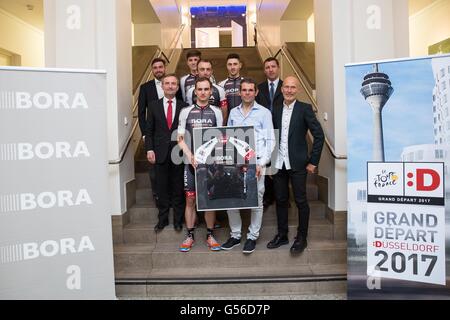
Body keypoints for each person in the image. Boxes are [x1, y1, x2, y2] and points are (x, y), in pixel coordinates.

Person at [266, 76, 324, 255]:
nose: (289, 90)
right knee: (281, 200)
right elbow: (270, 138)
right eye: (286, 87)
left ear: (297, 90)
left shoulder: (305, 109)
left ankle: (301, 237)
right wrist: (269, 164)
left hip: (298, 164)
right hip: (278, 163)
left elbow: (319, 136)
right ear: (281, 89)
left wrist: (313, 161)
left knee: (301, 201)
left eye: (293, 87)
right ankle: (282, 235)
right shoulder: (274, 110)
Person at [221, 78, 275, 254]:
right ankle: (235, 235)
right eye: (244, 90)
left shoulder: (264, 113)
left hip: (257, 162)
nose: (247, 93)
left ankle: (252, 236)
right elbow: (227, 138)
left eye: (251, 90)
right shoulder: (233, 113)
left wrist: (262, 163)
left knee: (256, 200)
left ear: (256, 92)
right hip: (235, 162)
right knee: (231, 198)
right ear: (239, 92)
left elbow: (270, 140)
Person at [177, 77, 223, 252]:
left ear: (211, 91)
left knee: (209, 200)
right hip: (190, 162)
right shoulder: (186, 111)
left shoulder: (217, 112)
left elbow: (220, 137)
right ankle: (190, 236)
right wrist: (190, 156)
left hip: (210, 163)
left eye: (206, 89)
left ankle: (210, 235)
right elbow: (179, 139)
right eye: (200, 89)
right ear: (194, 91)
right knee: (190, 199)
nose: (203, 92)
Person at [145, 74, 187, 232]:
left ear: (177, 87)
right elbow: (149, 131)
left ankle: (178, 220)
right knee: (161, 188)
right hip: (159, 153)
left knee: (178, 188)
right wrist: (149, 148)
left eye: (173, 84)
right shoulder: (154, 105)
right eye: (167, 83)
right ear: (162, 86)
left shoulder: (185, 106)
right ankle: (162, 220)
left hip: (179, 153)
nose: (170, 86)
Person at [255, 57, 284, 208]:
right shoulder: (259, 88)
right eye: (267, 67)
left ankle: (282, 197)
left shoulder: (286, 86)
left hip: (282, 130)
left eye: (273, 66)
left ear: (278, 68)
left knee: (279, 165)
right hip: (264, 131)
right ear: (264, 70)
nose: (270, 69)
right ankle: (268, 196)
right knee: (265, 164)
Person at [138, 57, 167, 202]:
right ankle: (157, 196)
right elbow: (141, 113)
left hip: (170, 134)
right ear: (152, 70)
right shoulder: (145, 88)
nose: (158, 70)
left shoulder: (172, 84)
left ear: (165, 68)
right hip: (153, 134)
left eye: (160, 67)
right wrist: (144, 134)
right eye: (155, 68)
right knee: (154, 170)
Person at [186, 59, 227, 125]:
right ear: (197, 71)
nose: (205, 72)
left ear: (211, 71)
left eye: (208, 69)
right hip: (196, 128)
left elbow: (224, 114)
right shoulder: (191, 91)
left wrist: (220, 128)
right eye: (202, 69)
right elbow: (189, 113)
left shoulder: (220, 90)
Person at [218, 53, 244, 124]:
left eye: (235, 64)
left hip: (244, 122)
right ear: (226, 66)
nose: (232, 67)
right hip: (227, 123)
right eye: (230, 64)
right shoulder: (221, 85)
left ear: (240, 65)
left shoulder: (246, 83)